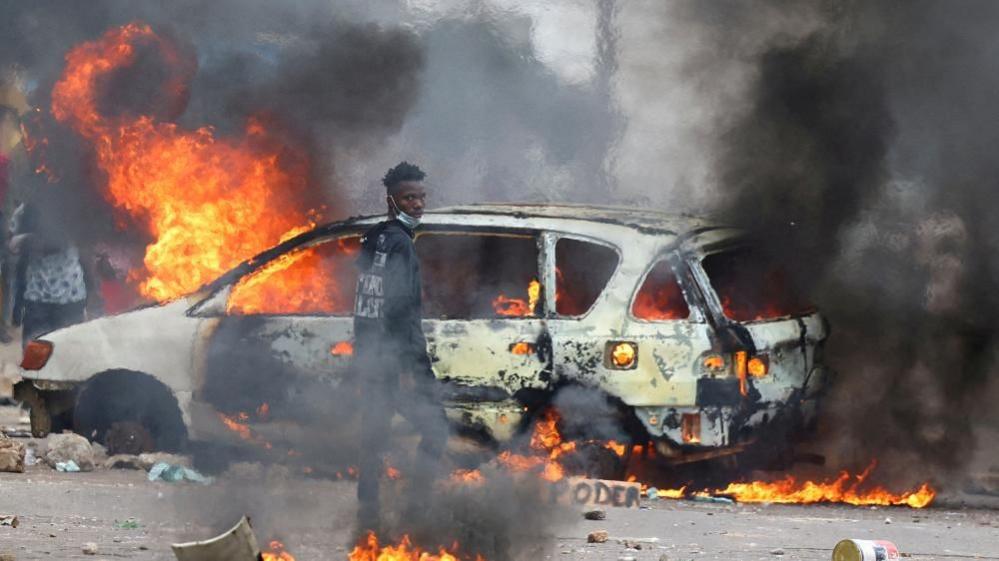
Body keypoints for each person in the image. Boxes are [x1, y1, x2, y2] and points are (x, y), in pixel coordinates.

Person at [352, 161, 448, 534]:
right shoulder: (401, 245)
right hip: (396, 361)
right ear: (392, 200)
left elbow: (363, 300)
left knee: (374, 433)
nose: (419, 205)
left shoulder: (373, 238)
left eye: (422, 197)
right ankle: (417, 506)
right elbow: (402, 311)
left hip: (372, 357)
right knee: (436, 429)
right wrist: (419, 369)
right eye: (410, 198)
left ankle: (368, 508)